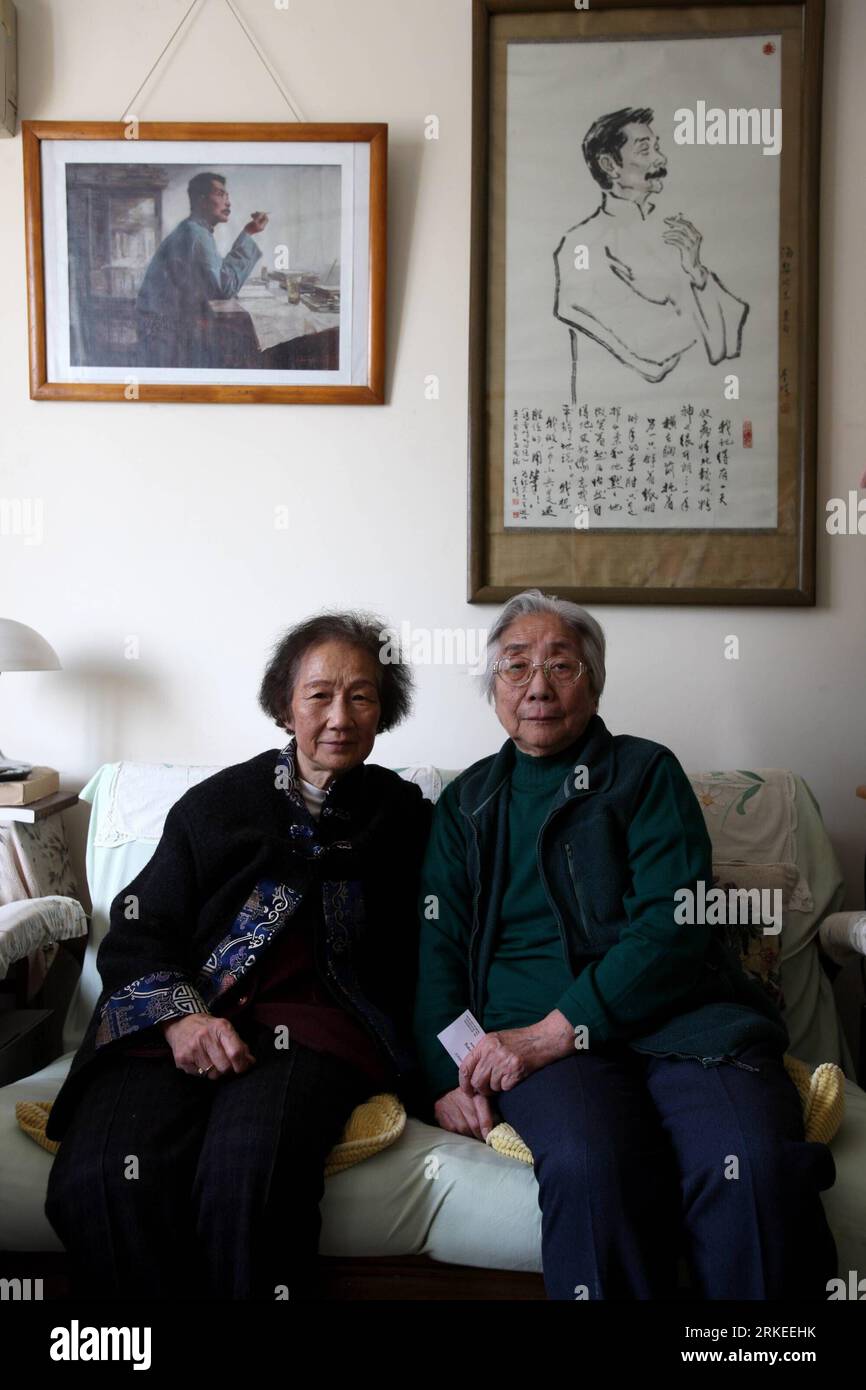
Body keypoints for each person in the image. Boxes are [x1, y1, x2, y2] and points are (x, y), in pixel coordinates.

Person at [413, 588, 838, 1300]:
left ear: (595, 681)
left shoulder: (645, 773)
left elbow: (674, 925)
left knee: (751, 1163)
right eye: (516, 667)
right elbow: (439, 946)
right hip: (540, 1047)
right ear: (493, 689)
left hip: (686, 1026)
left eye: (562, 665)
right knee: (591, 1164)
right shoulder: (467, 804)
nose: (538, 686)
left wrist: (554, 1031)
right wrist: (445, 1075)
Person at [45, 611, 432, 1301]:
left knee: (249, 1173)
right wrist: (181, 1020)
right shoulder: (216, 806)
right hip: (173, 1029)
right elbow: (140, 927)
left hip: (308, 1037)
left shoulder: (404, 817)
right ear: (286, 704)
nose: (339, 716)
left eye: (362, 695)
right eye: (319, 694)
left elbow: (433, 945)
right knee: (101, 1177)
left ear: (385, 710)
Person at [553, 107, 749, 398]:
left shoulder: (676, 233)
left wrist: (696, 273)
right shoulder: (581, 245)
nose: (661, 159)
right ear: (609, 165)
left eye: (657, 148)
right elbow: (654, 353)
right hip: (623, 416)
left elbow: (727, 343)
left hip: (692, 408)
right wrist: (690, 306)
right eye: (646, 151)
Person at [136, 171, 268, 368]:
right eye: (220, 194)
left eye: (227, 195)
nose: (228, 202)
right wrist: (248, 233)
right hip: (164, 333)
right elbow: (224, 288)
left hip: (162, 326)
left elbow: (215, 275)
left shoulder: (193, 229)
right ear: (201, 200)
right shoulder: (196, 234)